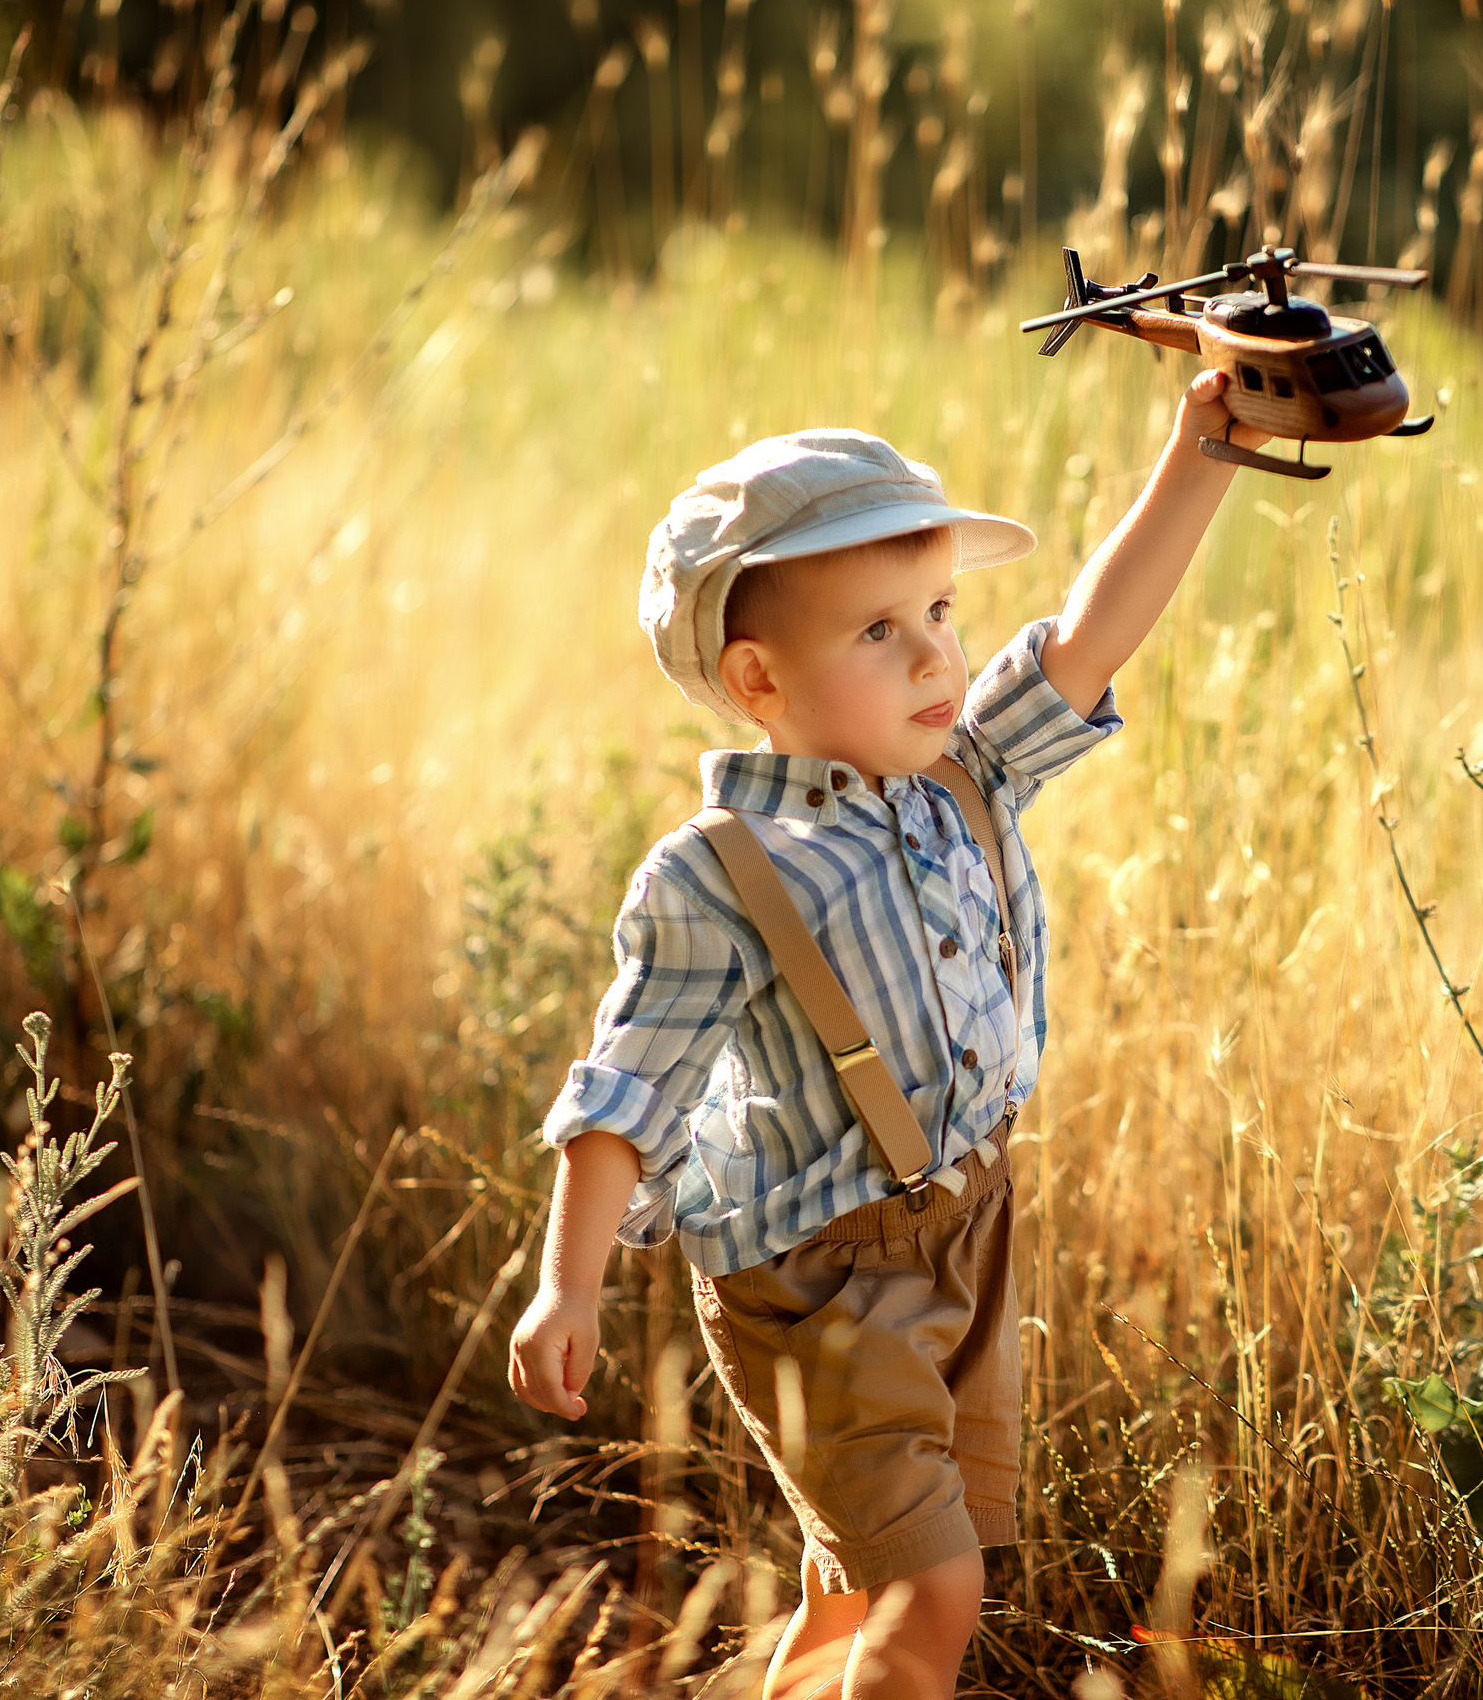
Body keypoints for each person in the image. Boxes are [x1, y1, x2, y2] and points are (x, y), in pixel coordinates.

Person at [508, 371, 1246, 1699]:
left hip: (968, 1229)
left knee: (860, 1586)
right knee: (931, 1586)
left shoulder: (966, 770)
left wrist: (1205, 450)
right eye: (880, 631)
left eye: (942, 614)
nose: (935, 657)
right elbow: (628, 1084)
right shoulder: (724, 874)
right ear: (757, 675)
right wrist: (569, 1281)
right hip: (822, 1286)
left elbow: (1088, 637)